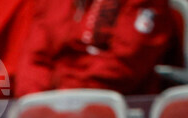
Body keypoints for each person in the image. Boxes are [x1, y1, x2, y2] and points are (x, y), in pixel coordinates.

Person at [13, 0, 177, 97]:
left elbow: (125, 63)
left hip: (116, 112)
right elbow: (34, 58)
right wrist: (34, 102)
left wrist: (66, 98)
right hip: (50, 107)